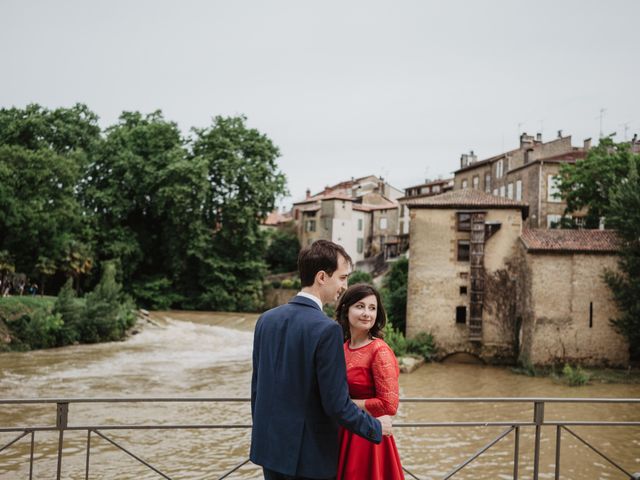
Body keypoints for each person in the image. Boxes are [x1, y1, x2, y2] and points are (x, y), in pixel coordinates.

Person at [251, 240, 393, 480]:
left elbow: (257, 390)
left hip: (269, 449)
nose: (344, 286)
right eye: (342, 278)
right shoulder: (327, 330)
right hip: (309, 458)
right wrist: (376, 428)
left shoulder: (266, 319)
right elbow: (336, 404)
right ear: (321, 277)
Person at [335, 283, 404, 480]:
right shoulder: (343, 347)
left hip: (368, 437)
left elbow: (389, 405)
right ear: (345, 309)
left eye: (372, 308)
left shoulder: (379, 351)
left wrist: (345, 405)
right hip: (344, 432)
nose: (367, 313)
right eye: (360, 306)